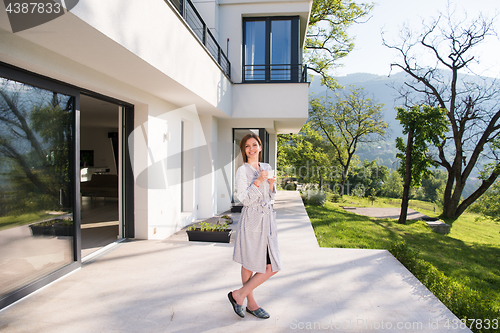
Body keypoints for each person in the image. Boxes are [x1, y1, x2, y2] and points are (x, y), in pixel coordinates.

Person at [227, 133, 281, 319]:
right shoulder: (242, 171)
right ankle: (251, 303)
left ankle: (238, 295)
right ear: (244, 150)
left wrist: (272, 185)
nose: (251, 149)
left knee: (272, 266)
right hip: (251, 219)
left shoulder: (266, 167)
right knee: (249, 264)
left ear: (260, 147)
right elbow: (245, 200)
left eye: (254, 145)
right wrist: (258, 181)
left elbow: (271, 197)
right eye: (247, 146)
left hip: (267, 220)